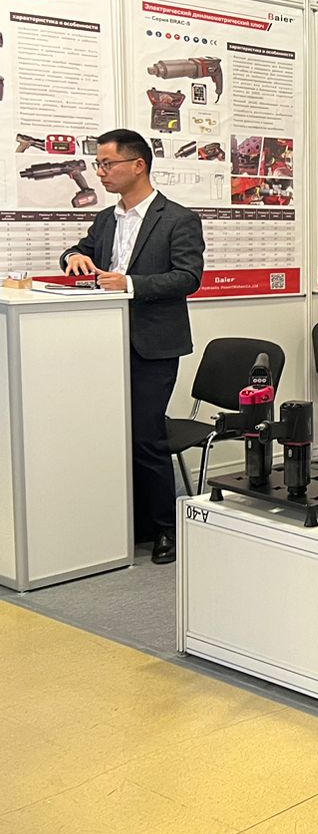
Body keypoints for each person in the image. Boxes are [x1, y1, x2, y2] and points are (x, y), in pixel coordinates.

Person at [61, 129, 204, 565]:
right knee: (112, 434)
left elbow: (188, 277)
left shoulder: (177, 218)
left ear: (138, 165)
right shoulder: (107, 219)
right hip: (105, 345)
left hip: (153, 345)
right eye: (98, 165)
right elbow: (79, 249)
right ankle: (134, 522)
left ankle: (166, 528)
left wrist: (130, 284)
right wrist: (73, 257)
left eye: (107, 164)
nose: (100, 172)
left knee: (146, 437)